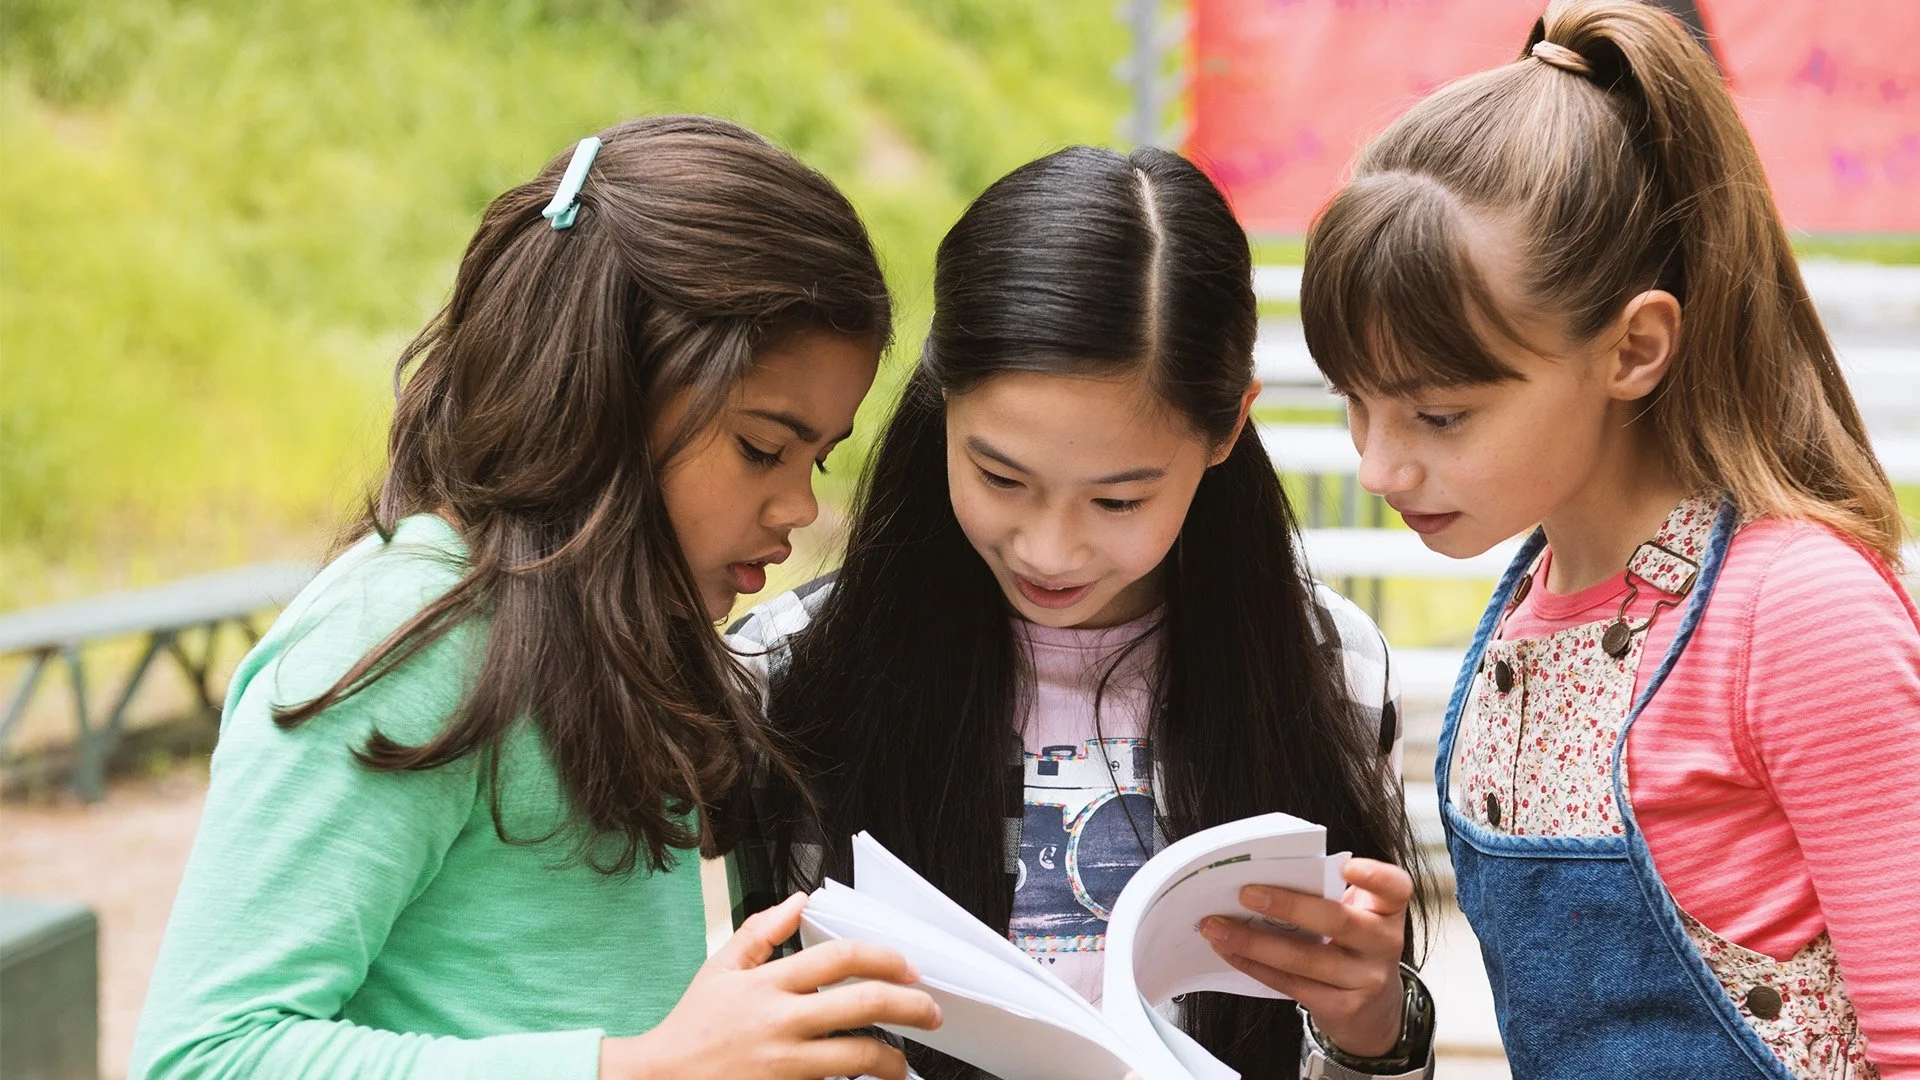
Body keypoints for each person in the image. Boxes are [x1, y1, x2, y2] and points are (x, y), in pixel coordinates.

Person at [131, 115, 940, 1080]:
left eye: (820, 457)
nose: (801, 506)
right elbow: (204, 1055)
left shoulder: (615, 630)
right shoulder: (407, 632)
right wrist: (638, 1069)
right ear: (608, 389)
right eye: (763, 447)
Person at [1298, 2, 1920, 1076]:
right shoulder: (1523, 610)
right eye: (1357, 403)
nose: (1380, 468)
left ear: (1634, 347)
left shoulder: (1801, 611)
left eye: (1439, 415)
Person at [729, 144, 1436, 1080]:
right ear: (942, 398)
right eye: (1000, 477)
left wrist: (1376, 1028)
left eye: (1118, 501)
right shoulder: (789, 673)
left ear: (1227, 427)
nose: (1047, 550)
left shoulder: (1327, 668)